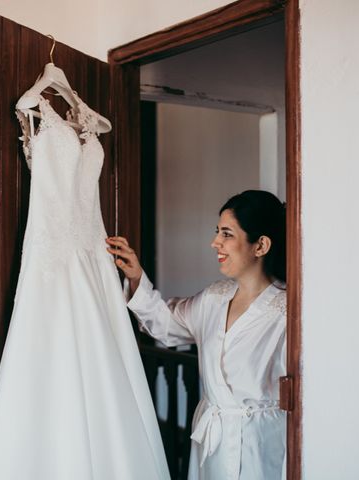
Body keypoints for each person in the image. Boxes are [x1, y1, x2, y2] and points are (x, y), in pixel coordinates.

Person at [105, 190, 287, 480]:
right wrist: (137, 276)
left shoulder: (286, 313)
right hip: (212, 441)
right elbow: (166, 324)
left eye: (227, 234)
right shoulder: (214, 298)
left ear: (260, 245)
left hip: (262, 445)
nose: (215, 242)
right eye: (217, 232)